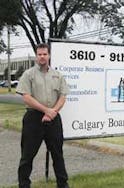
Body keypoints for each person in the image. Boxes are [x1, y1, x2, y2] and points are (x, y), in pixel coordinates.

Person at [16, 43, 70, 188]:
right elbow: (26, 97)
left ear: (49, 55)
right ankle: (24, 185)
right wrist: (46, 110)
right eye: (39, 54)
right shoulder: (28, 75)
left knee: (57, 154)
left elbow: (63, 96)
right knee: (27, 156)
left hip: (53, 118)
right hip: (33, 119)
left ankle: (63, 184)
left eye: (44, 54)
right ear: (36, 56)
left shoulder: (57, 75)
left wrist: (52, 113)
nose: (42, 57)